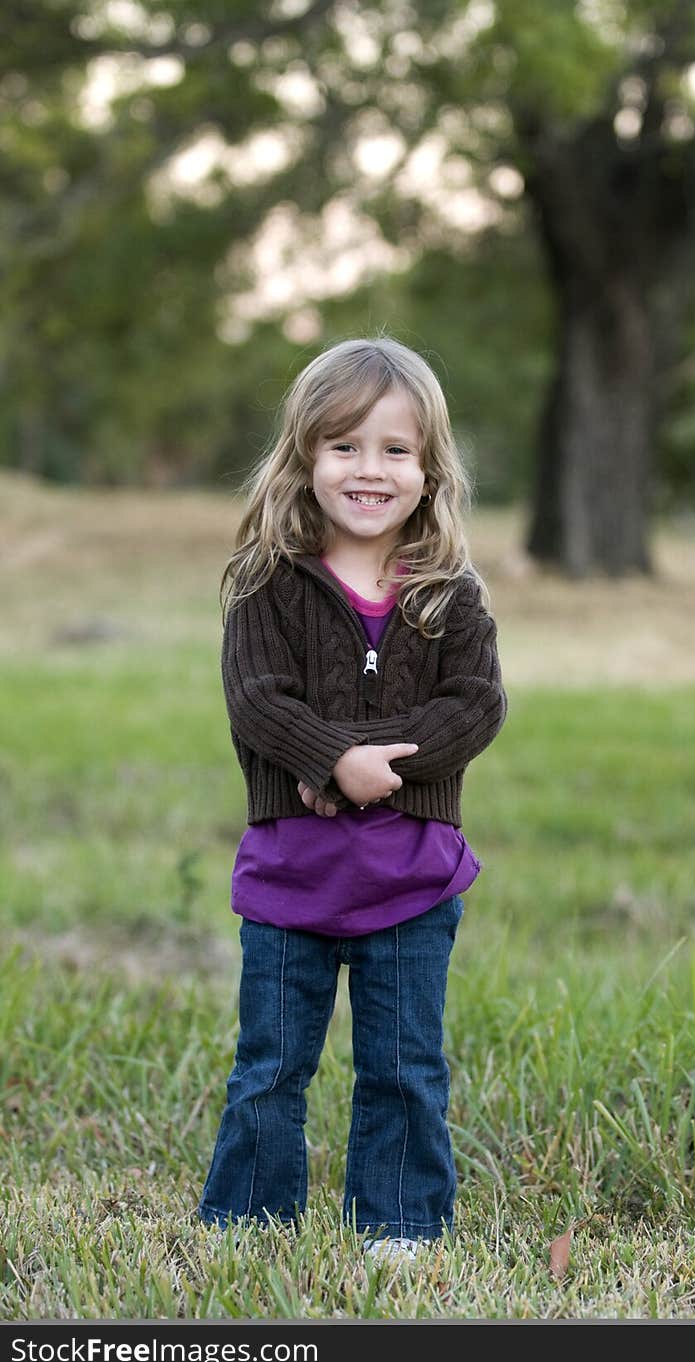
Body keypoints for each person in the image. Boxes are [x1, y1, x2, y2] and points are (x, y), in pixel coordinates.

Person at [198, 335, 508, 1259]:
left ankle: (402, 1225)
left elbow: (477, 703)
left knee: (405, 1068)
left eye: (395, 449)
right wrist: (330, 758)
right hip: (291, 884)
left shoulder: (450, 593)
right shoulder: (267, 585)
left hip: (411, 885)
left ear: (429, 469)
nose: (369, 469)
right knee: (270, 1069)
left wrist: (368, 762)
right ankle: (250, 1222)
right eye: (344, 446)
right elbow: (258, 701)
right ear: (304, 458)